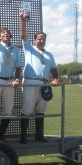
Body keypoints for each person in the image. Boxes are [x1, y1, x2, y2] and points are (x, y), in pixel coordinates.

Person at [20, 11, 59, 144]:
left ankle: (39, 135)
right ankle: (23, 136)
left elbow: (54, 68)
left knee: (41, 110)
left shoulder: (49, 54)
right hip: (30, 82)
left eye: (43, 39)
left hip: (45, 84)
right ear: (35, 39)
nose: (41, 41)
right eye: (39, 38)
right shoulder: (29, 48)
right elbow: (23, 35)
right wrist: (23, 21)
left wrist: (56, 79)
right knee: (27, 109)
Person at [0, 3, 23, 142]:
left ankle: (0, 136)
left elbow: (19, 67)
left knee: (8, 110)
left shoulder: (15, 50)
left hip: (9, 81)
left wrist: (17, 80)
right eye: (3, 33)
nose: (6, 34)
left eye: (7, 33)